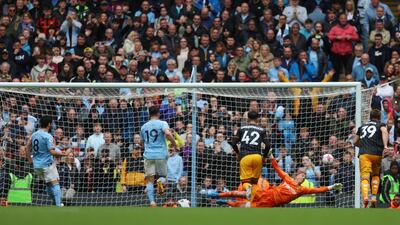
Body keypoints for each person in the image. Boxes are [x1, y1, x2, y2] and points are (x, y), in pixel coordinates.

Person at [205, 152, 343, 207]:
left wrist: (331, 187)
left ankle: (225, 202)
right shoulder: (288, 179)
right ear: (296, 175)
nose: (302, 176)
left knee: (247, 207)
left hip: (271, 203)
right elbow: (277, 169)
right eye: (301, 174)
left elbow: (318, 190)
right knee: (244, 194)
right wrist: (271, 157)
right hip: (268, 193)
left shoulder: (302, 189)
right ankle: (218, 194)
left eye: (304, 176)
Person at [29, 116, 71, 207]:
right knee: (55, 183)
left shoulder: (34, 135)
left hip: (37, 166)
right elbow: (52, 151)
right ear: (49, 124)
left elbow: (27, 147)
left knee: (48, 183)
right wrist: (64, 154)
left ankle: (55, 202)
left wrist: (29, 159)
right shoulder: (48, 136)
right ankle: (58, 204)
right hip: (47, 164)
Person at [140, 105, 177, 207]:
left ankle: (152, 202)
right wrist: (175, 144)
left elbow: (141, 142)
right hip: (161, 154)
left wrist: (146, 145)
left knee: (149, 179)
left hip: (148, 156)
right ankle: (160, 181)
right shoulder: (162, 123)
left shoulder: (144, 127)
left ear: (149, 114)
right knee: (163, 177)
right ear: (158, 113)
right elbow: (168, 134)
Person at [353, 109, 389, 208]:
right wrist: (385, 146)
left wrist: (363, 145)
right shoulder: (381, 124)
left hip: (364, 154)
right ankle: (373, 196)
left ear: (370, 116)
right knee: (375, 175)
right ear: (379, 117)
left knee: (365, 177)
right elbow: (384, 132)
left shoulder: (362, 126)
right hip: (377, 154)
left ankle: (365, 197)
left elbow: (355, 141)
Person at [231, 110, 269, 200]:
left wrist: (238, 153)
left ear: (247, 118)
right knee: (255, 182)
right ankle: (251, 202)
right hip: (257, 157)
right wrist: (264, 157)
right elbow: (268, 145)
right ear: (258, 119)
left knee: (245, 182)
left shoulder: (241, 129)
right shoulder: (262, 130)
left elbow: (233, 143)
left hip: (245, 156)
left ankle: (248, 188)